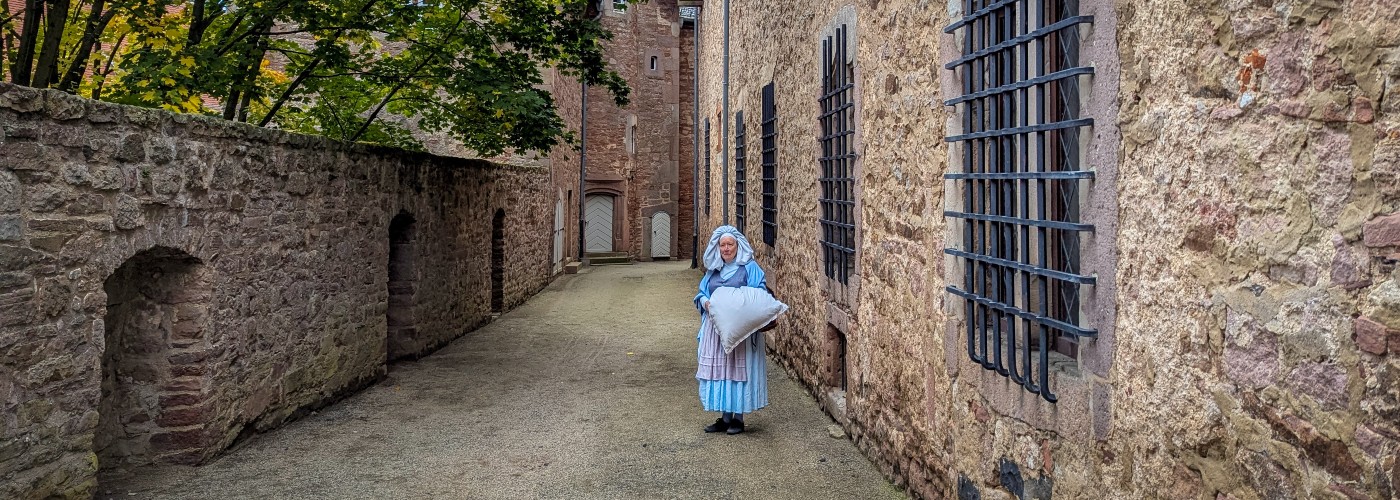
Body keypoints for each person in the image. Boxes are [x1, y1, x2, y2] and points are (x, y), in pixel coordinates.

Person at [693, 225, 768, 435]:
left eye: (730, 244)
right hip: (715, 331)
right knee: (722, 372)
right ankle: (725, 418)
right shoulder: (713, 271)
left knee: (738, 371)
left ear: (738, 246)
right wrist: (706, 302)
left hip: (739, 332)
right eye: (722, 245)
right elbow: (701, 293)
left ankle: (738, 418)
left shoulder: (750, 268)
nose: (726, 249)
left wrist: (739, 305)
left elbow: (759, 293)